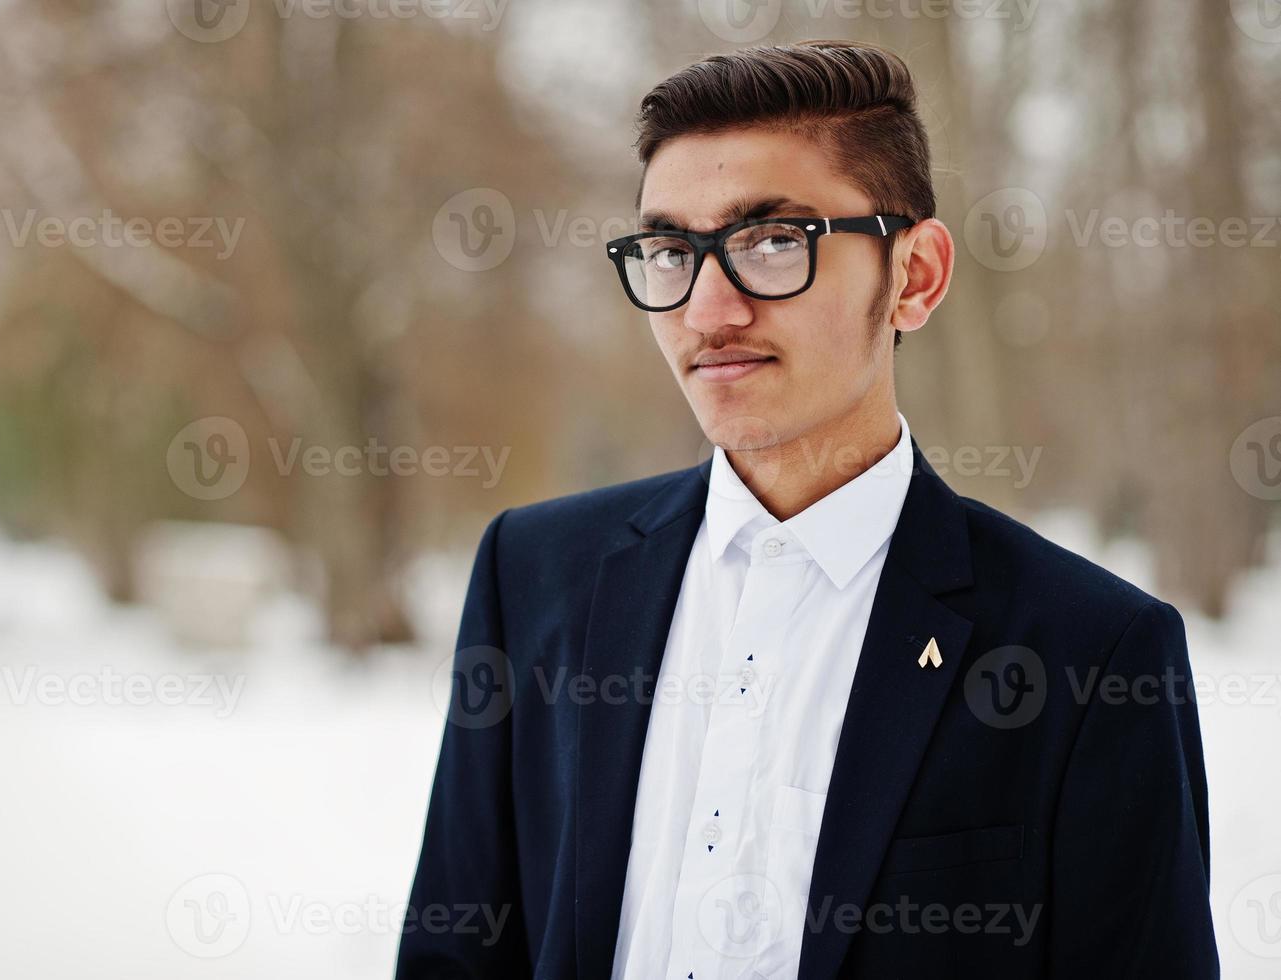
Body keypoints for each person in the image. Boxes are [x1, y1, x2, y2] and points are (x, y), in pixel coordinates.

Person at [397, 40, 1218, 979]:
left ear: (913, 276)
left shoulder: (1091, 650)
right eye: (670, 250)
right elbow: (454, 952)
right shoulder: (532, 573)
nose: (708, 310)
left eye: (772, 242)